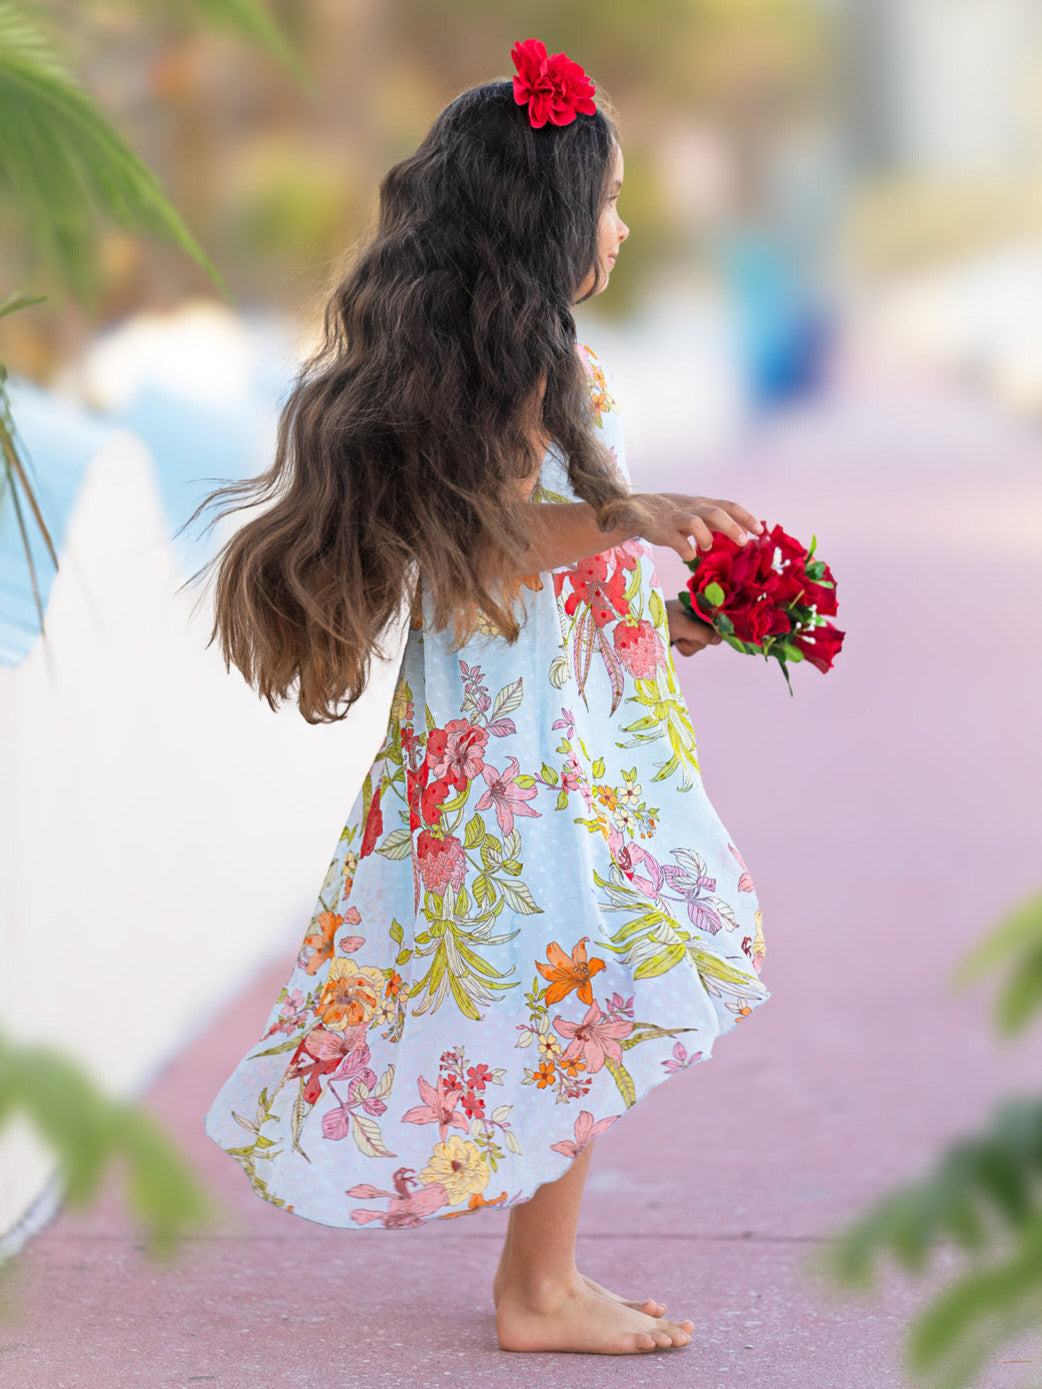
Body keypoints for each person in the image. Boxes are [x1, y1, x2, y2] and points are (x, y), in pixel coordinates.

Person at [189, 39, 771, 1356]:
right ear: (546, 215)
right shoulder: (506, 370)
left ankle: (541, 1278)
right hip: (515, 759)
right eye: (607, 203)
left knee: (577, 989)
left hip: (540, 737)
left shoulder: (524, 357)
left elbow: (544, 581)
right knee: (579, 991)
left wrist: (682, 620)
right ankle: (537, 1290)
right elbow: (488, 543)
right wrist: (633, 515)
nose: (621, 228)